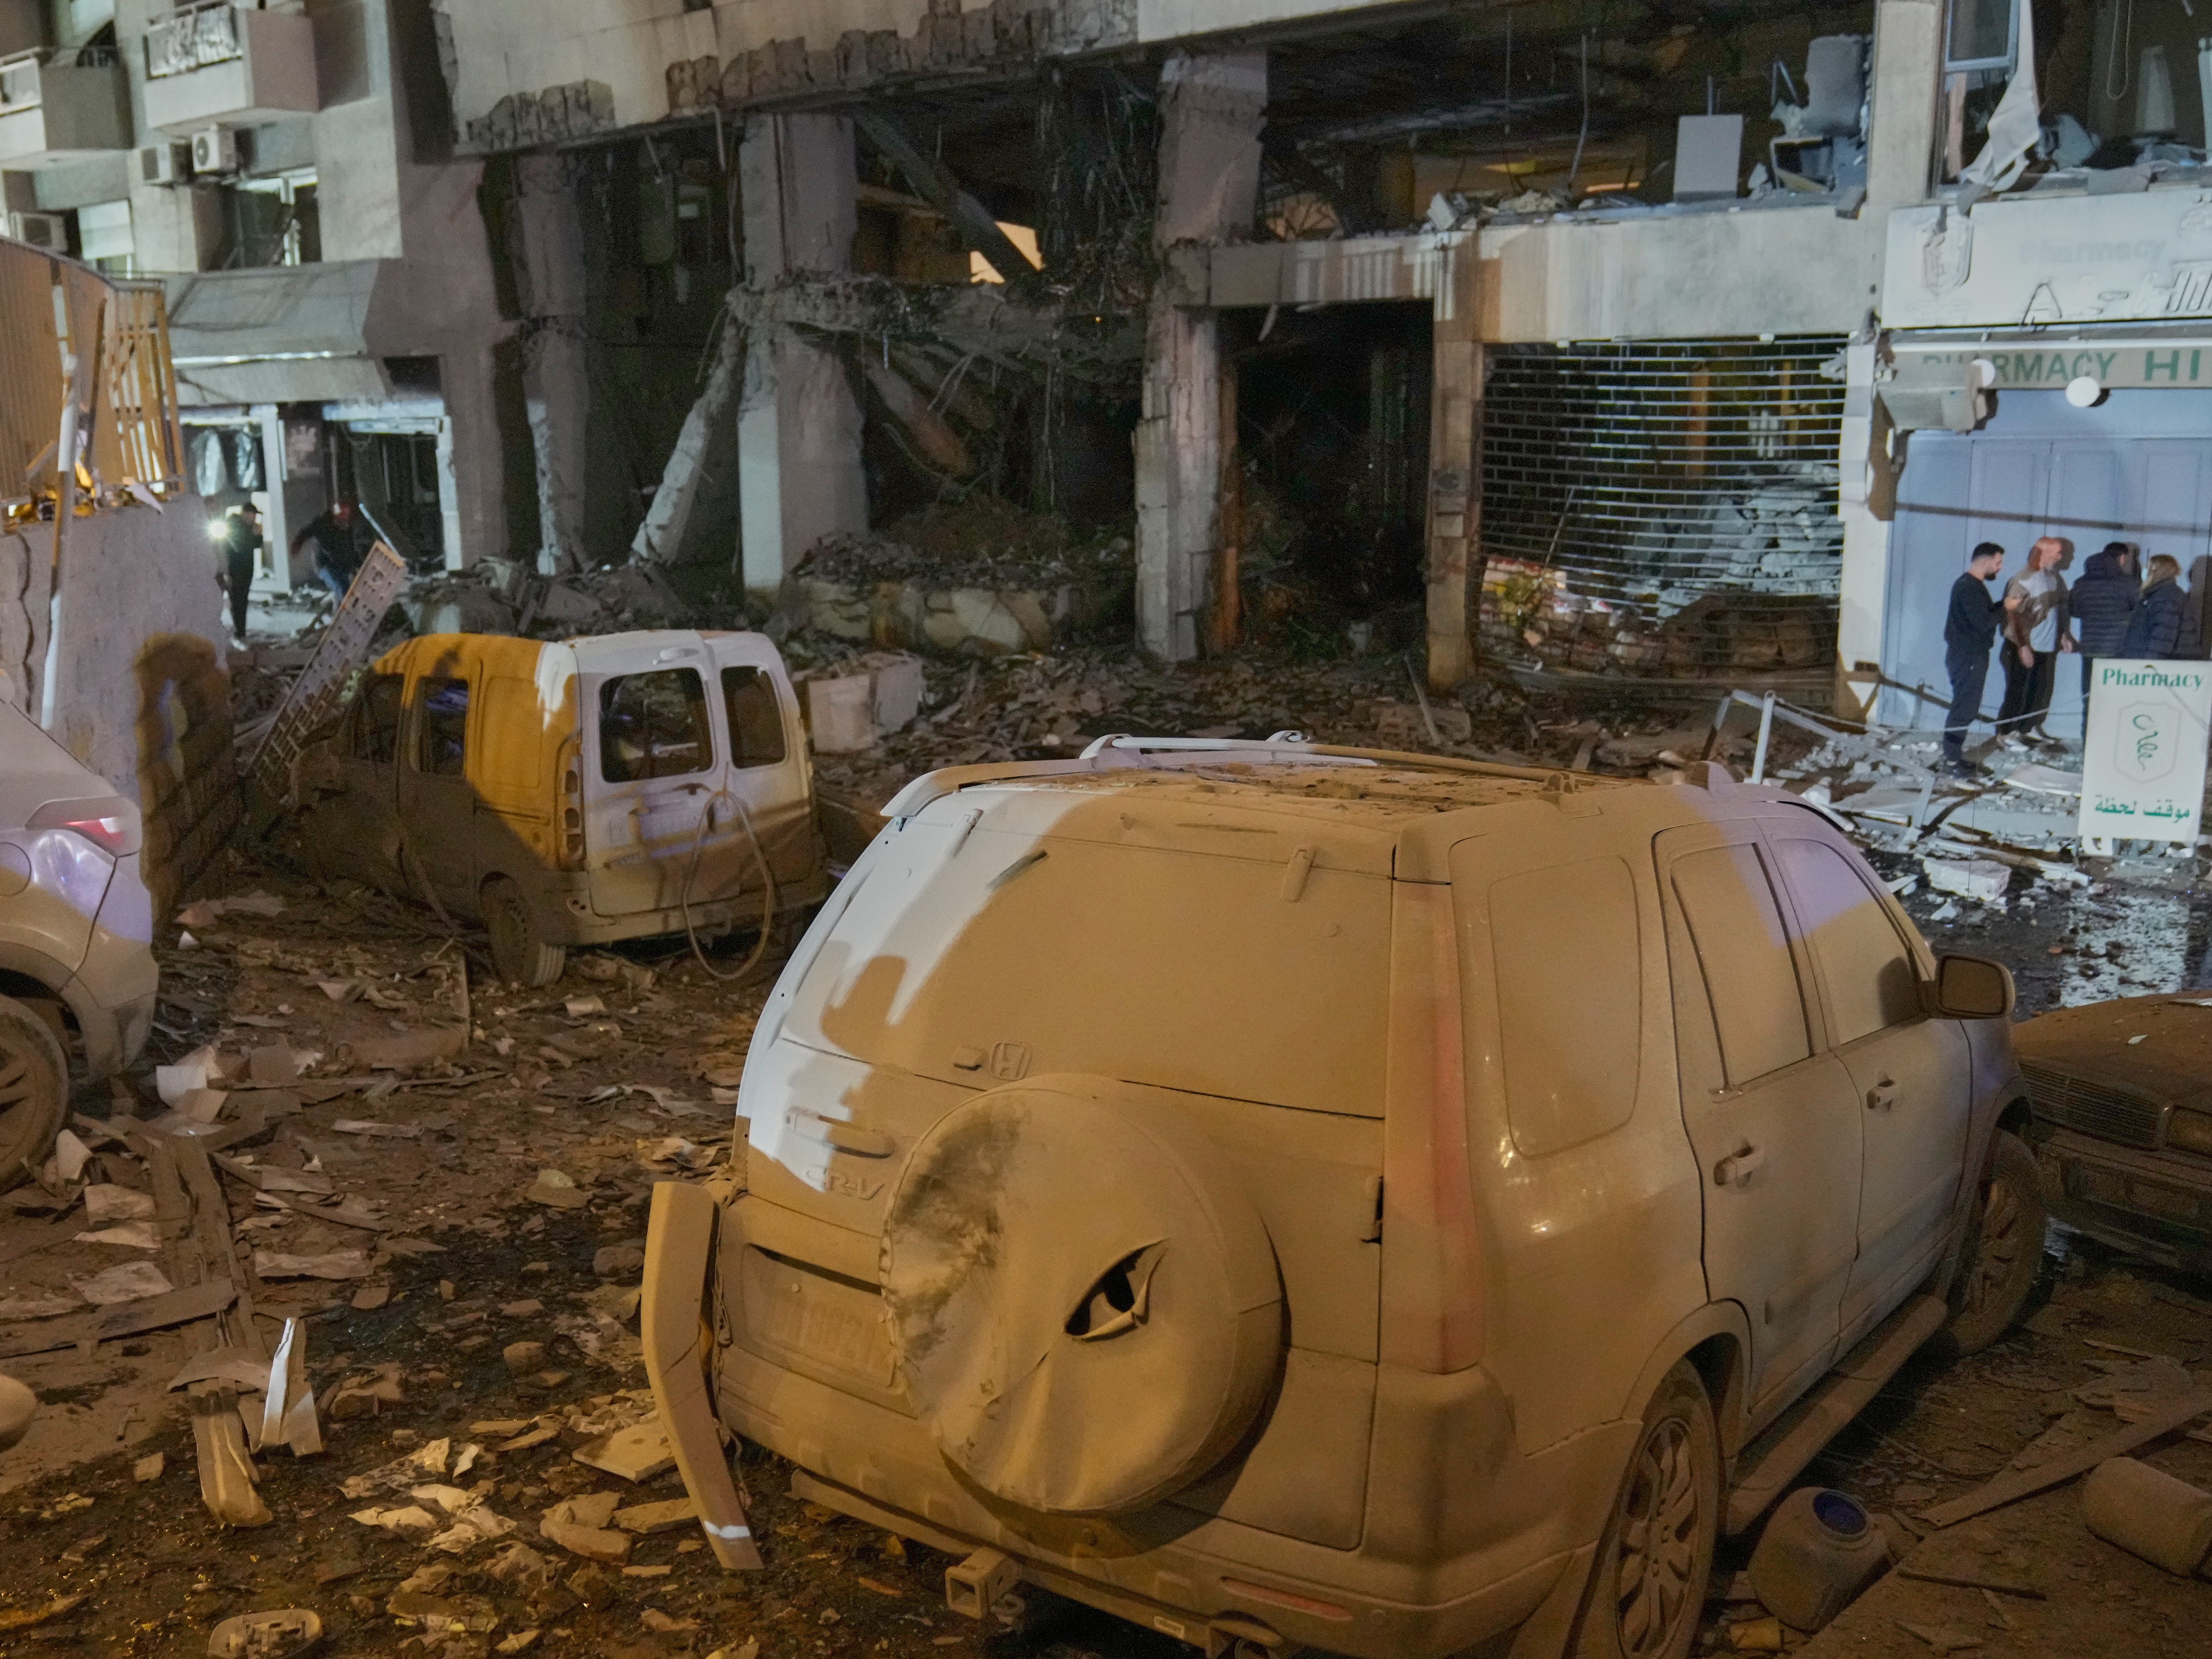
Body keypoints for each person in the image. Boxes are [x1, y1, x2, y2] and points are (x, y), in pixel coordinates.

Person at [1998, 535, 2073, 745]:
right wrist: (2023, 646)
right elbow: (2012, 615)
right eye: (2058, 553)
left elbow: (2060, 610)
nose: (2062, 557)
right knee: (2018, 691)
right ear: (2044, 553)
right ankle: (2005, 734)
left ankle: (2025, 730)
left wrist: (2064, 634)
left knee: (2039, 691)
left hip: (2046, 647)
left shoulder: (2053, 578)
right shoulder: (2024, 579)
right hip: (2023, 647)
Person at [1943, 542, 2006, 775]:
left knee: (1966, 706)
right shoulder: (1969, 588)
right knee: (1964, 707)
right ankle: (1951, 761)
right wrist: (2006, 608)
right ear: (1987, 561)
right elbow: (1984, 622)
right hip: (1967, 655)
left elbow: (1984, 615)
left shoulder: (1972, 586)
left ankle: (1953, 757)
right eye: (1998, 563)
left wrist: (2003, 605)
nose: (1999, 569)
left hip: (1969, 655)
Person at [292, 500, 365, 600]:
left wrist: (358, 564)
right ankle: (342, 610)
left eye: (346, 516)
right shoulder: (323, 523)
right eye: (342, 515)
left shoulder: (347, 528)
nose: (345, 518)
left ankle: (339, 612)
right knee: (342, 590)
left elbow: (349, 549)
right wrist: (297, 545)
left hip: (341, 565)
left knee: (346, 591)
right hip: (326, 565)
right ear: (336, 514)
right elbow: (306, 532)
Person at [2122, 554, 2188, 658]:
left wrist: (2150, 665)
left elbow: (2163, 635)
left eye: (2149, 568)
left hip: (2149, 663)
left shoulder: (2166, 596)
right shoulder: (2158, 594)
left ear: (2157, 571)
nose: (2147, 572)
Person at [217, 503, 263, 642]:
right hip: (235, 570)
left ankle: (241, 631)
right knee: (238, 601)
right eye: (252, 515)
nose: (254, 518)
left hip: (247, 569)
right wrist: (254, 535)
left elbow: (256, 545)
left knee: (242, 601)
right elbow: (239, 546)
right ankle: (239, 631)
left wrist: (258, 535)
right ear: (245, 514)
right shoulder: (234, 525)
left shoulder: (250, 527)